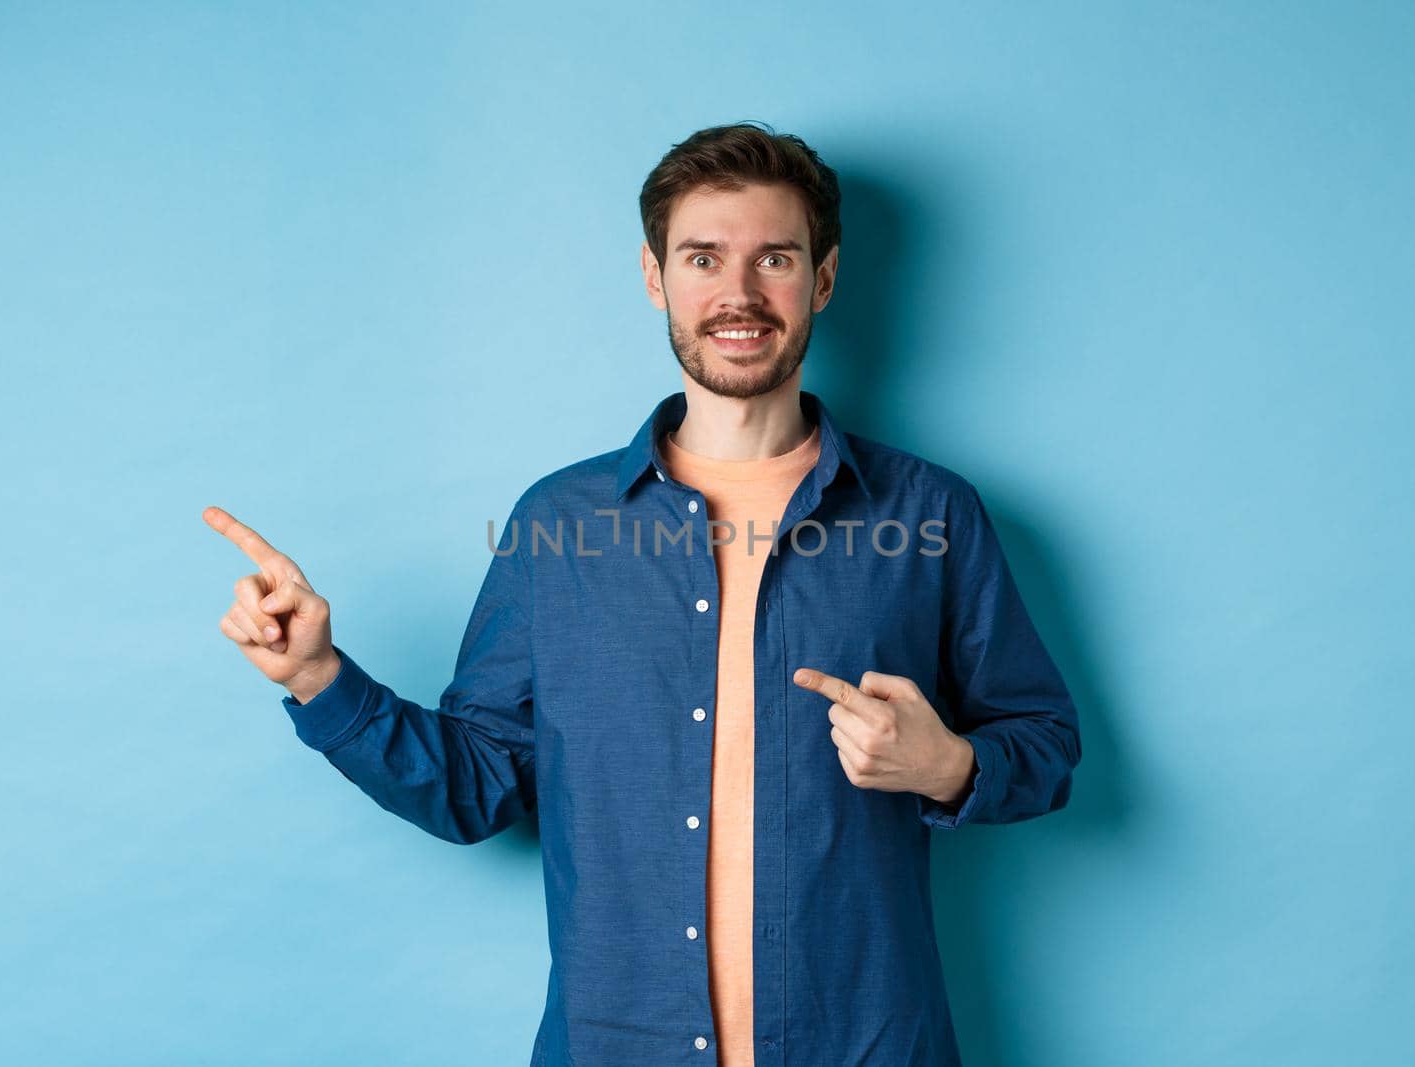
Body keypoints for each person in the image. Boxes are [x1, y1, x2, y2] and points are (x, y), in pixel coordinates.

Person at [204, 121, 1080, 1067]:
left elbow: (1045, 744)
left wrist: (946, 764)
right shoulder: (558, 524)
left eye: (774, 258)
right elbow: (476, 785)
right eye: (703, 257)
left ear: (822, 280)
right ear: (657, 277)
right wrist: (317, 677)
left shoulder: (932, 514)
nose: (738, 294)